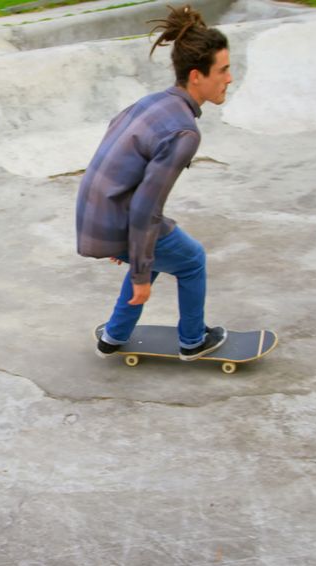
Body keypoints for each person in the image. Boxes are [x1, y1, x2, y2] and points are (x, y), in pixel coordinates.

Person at [75, 4, 233, 360]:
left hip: (93, 214)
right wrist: (140, 273)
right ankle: (193, 341)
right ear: (197, 76)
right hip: (118, 219)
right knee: (191, 259)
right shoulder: (183, 130)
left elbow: (110, 156)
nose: (229, 78)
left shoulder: (151, 102)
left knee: (161, 249)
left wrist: (124, 242)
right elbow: (147, 208)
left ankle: (114, 335)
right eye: (223, 70)